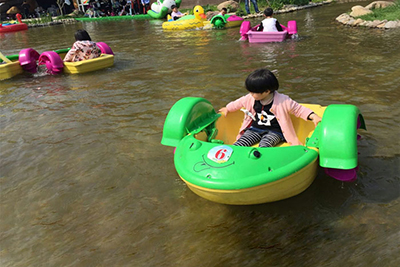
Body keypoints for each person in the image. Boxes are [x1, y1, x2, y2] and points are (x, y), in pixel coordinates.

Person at [219, 68, 321, 147]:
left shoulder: (283, 100)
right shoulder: (250, 98)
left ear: (267, 91)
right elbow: (238, 103)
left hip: (274, 131)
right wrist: (228, 108)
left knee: (264, 145)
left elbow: (298, 109)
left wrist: (313, 116)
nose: (250, 94)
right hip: (255, 129)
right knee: (240, 143)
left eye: (254, 92)